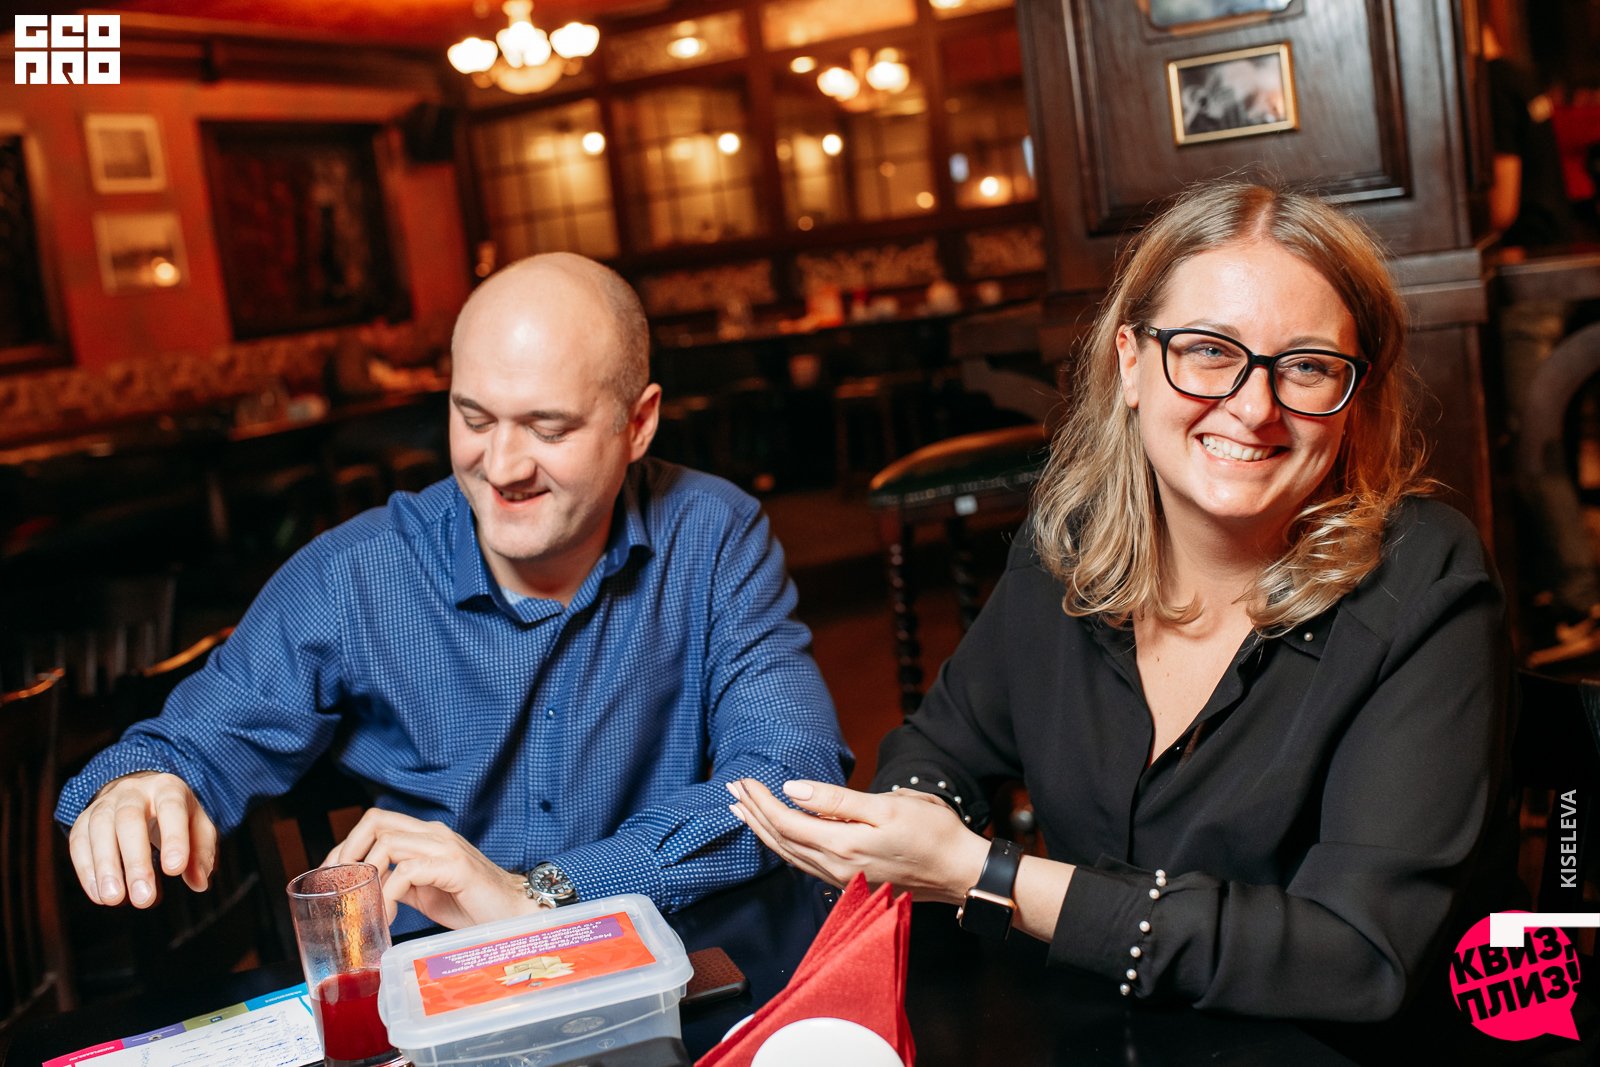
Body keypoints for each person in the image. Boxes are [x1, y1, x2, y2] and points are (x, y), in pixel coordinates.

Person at [727, 183, 1510, 1021]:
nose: (1254, 406)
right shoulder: (1070, 545)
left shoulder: (1426, 578)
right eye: (1209, 350)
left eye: (1309, 366)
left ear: (1354, 400)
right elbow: (941, 744)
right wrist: (918, 814)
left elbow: (1354, 958)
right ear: (1131, 362)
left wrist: (985, 875)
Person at [57, 253, 851, 931]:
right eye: (474, 418)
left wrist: (541, 895)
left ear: (638, 424)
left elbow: (793, 776)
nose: (501, 467)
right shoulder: (355, 575)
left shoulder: (712, 533)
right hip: (450, 998)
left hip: (681, 966)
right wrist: (137, 784)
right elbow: (185, 746)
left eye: (548, 429)